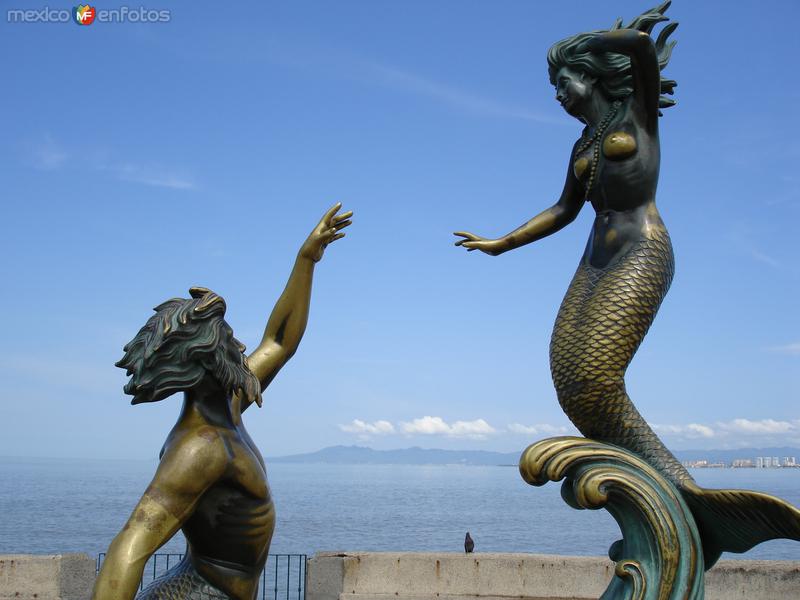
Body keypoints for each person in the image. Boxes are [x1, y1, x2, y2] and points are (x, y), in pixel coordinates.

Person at [454, 1, 799, 567]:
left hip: (642, 250)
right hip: (593, 259)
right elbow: (565, 210)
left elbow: (639, 52)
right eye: (553, 85)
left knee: (595, 380)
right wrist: (502, 242)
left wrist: (592, 39)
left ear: (589, 75)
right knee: (573, 383)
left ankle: (685, 500)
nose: (558, 93)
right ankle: (682, 502)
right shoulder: (583, 145)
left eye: (562, 80)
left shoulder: (636, 113)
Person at [92, 204, 352, 600]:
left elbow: (280, 342)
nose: (243, 345)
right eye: (231, 341)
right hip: (201, 593)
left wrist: (306, 260)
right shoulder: (201, 449)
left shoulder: (228, 407)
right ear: (212, 360)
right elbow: (129, 547)